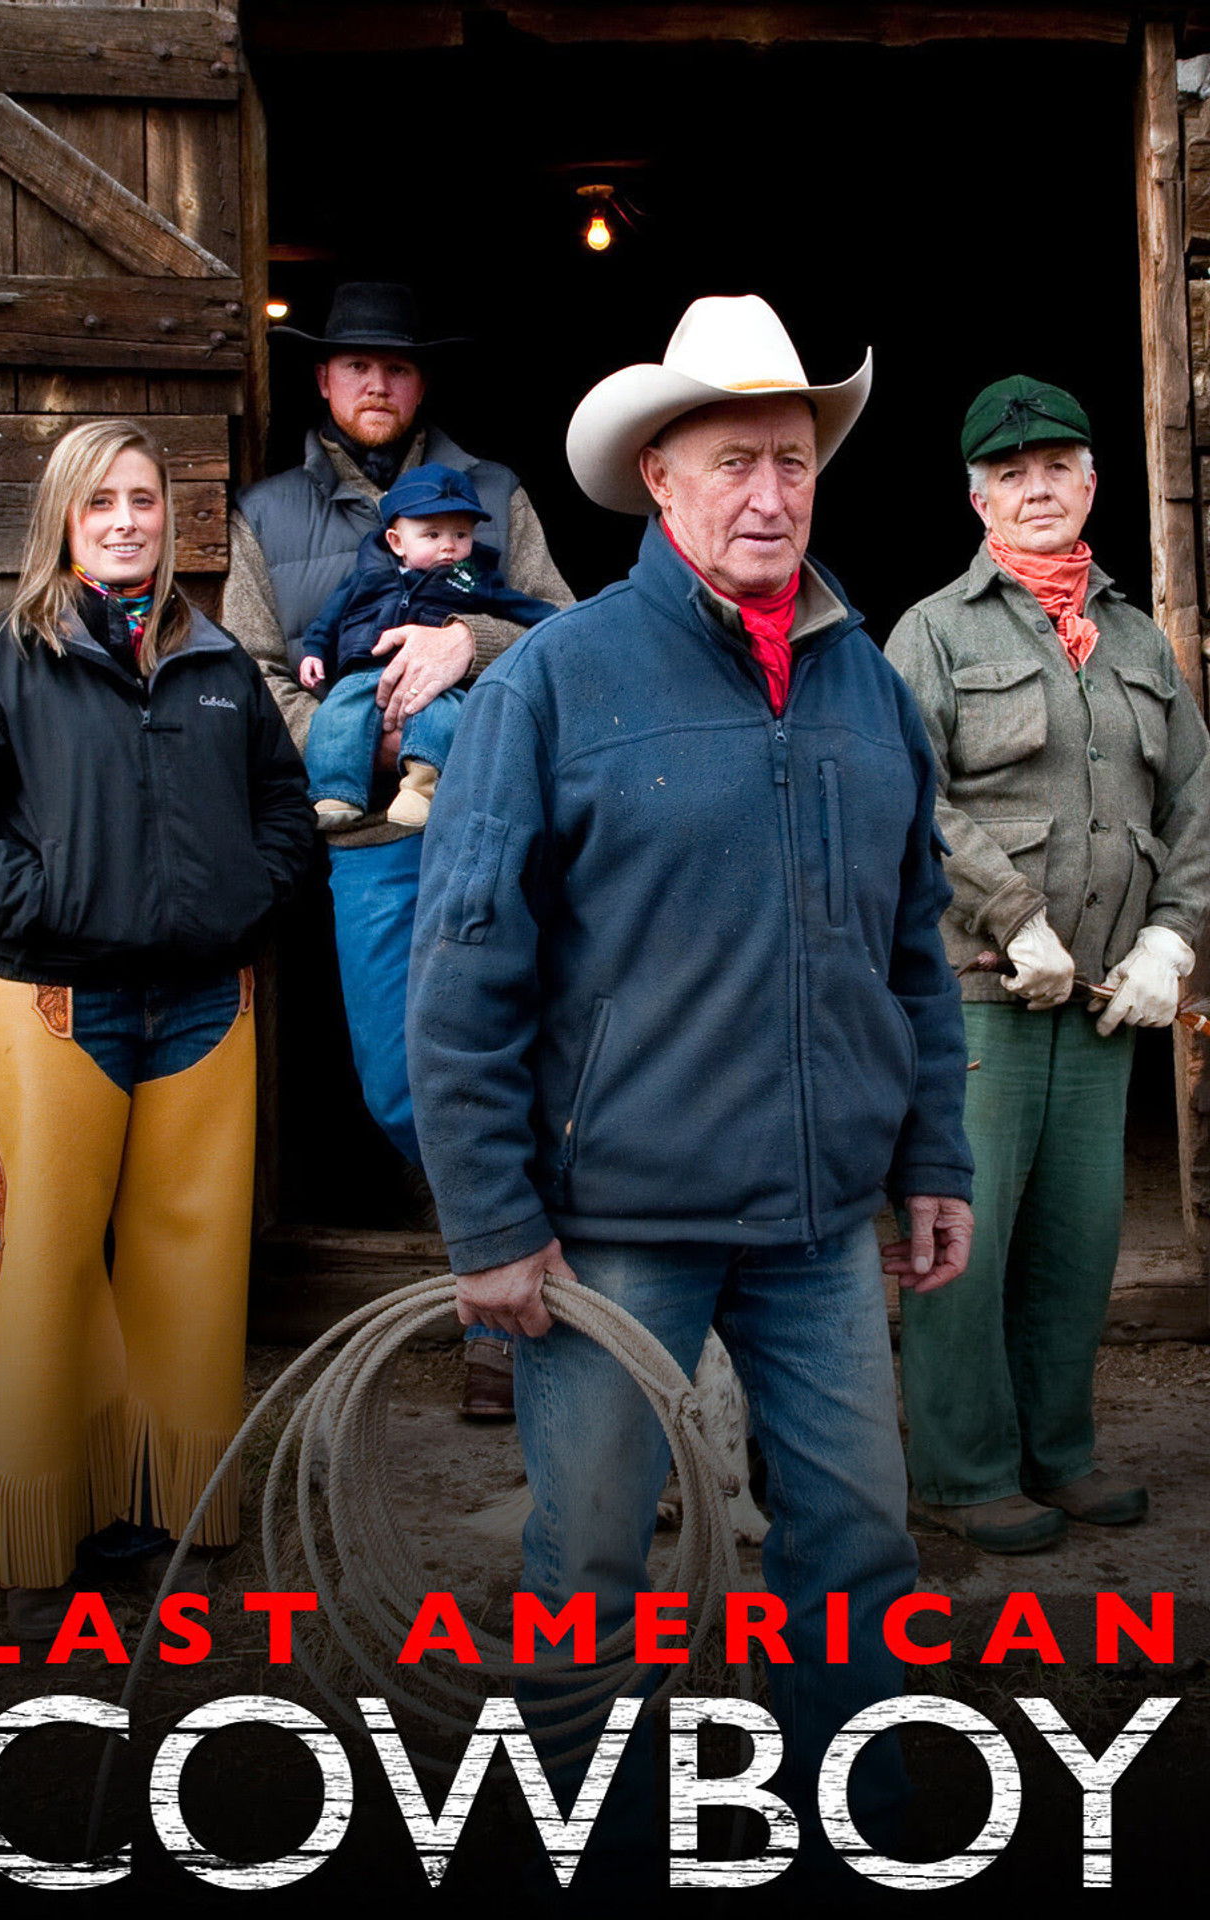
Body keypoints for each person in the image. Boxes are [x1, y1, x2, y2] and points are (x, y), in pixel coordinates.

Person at [406, 295, 975, 1857]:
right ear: (659, 478)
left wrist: (933, 1156)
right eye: (734, 462)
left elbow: (910, 948)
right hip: (614, 1225)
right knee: (592, 1562)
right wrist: (490, 1221)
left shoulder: (869, 689)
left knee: (856, 1550)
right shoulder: (556, 681)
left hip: (816, 1224)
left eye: (793, 460)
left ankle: (857, 1831)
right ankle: (580, 1845)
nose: (770, 495)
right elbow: (463, 968)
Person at [0, 419, 313, 1634]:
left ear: (169, 518)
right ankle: (41, 1536)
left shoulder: (216, 664)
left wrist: (247, 897)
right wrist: (44, 906)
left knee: (190, 1267)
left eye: (143, 499)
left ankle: (170, 1518)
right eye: (100, 502)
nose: (126, 521)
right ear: (62, 517)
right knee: (42, 1268)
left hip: (204, 1004)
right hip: (55, 1004)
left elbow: (285, 808)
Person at [224, 281, 572, 1419]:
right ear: (323, 378)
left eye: (399, 365)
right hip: (367, 832)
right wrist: (358, 740)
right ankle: (505, 1253)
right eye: (355, 365)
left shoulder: (495, 492)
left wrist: (467, 640)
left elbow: (567, 634)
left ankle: (510, 1324)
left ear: (423, 381)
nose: (377, 382)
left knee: (517, 1055)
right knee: (396, 1079)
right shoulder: (268, 514)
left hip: (492, 821)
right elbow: (249, 672)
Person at [886, 376, 1210, 1554]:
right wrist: (1011, 912)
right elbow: (903, 795)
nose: (1036, 489)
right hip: (981, 990)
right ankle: (959, 1471)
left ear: (1089, 483)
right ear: (977, 499)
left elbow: (1194, 799)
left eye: (1055, 469)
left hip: (1104, 1001)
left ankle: (1054, 1454)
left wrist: (1172, 937)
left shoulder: (1134, 638)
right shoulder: (932, 631)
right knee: (965, 1244)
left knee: (1076, 1242)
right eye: (1009, 475)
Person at [299, 463, 559, 831]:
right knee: (336, 715)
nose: (448, 545)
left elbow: (519, 606)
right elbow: (331, 616)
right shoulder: (368, 576)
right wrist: (313, 651)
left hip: (440, 681)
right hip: (365, 669)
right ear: (396, 542)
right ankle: (336, 794)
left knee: (445, 718)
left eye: (461, 534)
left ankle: (421, 790)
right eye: (432, 534)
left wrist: (558, 619)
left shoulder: (472, 579)